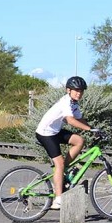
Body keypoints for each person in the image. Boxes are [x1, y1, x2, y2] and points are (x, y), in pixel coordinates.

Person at [35, 76, 98, 210]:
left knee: (79, 141)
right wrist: (88, 129)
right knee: (59, 164)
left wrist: (93, 129)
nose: (79, 93)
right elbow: (70, 120)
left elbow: (80, 119)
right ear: (68, 90)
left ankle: (64, 168)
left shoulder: (74, 103)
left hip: (55, 131)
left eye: (81, 91)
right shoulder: (65, 102)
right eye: (76, 90)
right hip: (45, 133)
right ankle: (58, 200)